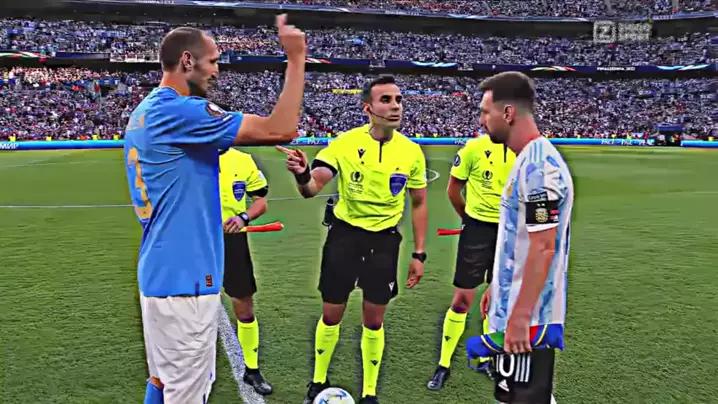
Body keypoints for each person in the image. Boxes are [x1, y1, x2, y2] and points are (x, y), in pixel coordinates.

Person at [123, 15, 306, 404]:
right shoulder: (178, 111)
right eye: (213, 61)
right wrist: (296, 58)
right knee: (187, 394)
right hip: (185, 281)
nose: (217, 71)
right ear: (187, 61)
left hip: (162, 272)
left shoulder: (145, 111)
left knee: (162, 382)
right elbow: (282, 128)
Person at [277, 76, 429, 404]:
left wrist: (419, 254)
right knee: (332, 313)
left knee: (374, 321)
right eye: (386, 100)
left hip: (385, 242)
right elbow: (312, 188)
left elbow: (419, 204)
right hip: (345, 238)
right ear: (368, 108)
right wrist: (302, 173)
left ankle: (369, 392)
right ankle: (318, 381)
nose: (395, 106)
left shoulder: (411, 151)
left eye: (398, 99)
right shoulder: (345, 144)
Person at [475, 71, 574, 404]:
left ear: (507, 113)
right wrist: (497, 287)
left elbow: (543, 247)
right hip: (514, 309)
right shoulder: (527, 162)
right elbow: (519, 240)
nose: (481, 121)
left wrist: (519, 317)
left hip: (528, 321)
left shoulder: (539, 170)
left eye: (485, 112)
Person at [427, 134, 516, 391]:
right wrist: (469, 221)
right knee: (462, 300)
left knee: (497, 300)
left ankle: (487, 358)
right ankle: (443, 365)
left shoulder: (523, 149)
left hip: (509, 232)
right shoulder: (473, 149)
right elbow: (453, 190)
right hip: (476, 230)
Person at [218, 146, 272, 395]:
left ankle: (252, 369)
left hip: (233, 240)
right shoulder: (189, 154)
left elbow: (260, 202)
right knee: (192, 305)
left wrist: (242, 217)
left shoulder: (242, 160)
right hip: (196, 241)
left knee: (244, 306)